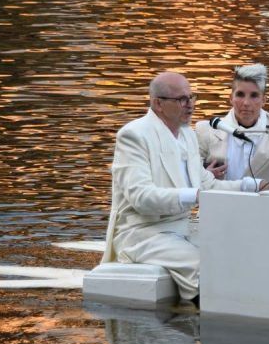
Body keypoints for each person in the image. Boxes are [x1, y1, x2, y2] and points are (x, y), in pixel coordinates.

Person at [101, 71, 259, 303]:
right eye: (181, 99)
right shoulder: (133, 135)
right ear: (158, 104)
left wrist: (253, 185)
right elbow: (141, 197)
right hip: (142, 234)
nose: (190, 105)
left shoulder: (187, 134)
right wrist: (193, 195)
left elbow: (208, 184)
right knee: (206, 266)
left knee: (239, 250)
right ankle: (211, 323)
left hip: (183, 228)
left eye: (191, 97)